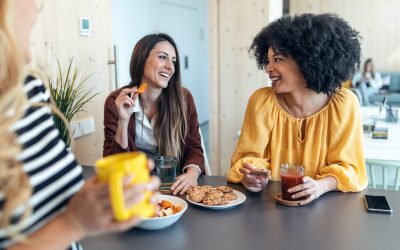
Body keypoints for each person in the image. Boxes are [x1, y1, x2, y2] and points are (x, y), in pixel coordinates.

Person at [0, 0, 159, 249]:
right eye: (15, 37)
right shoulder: (115, 102)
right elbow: (111, 157)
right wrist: (74, 222)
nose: (29, 56)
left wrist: (93, 201)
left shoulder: (28, 90)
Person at [227, 13, 368, 205]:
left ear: (306, 60)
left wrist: (322, 186)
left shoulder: (344, 104)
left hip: (329, 211)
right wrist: (254, 176)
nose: (268, 68)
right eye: (267, 60)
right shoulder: (261, 102)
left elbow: (351, 168)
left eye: (277, 59)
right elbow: (248, 158)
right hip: (270, 209)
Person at [103, 33, 205, 195]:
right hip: (135, 188)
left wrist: (192, 174)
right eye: (163, 57)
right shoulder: (116, 101)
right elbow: (112, 163)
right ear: (142, 59)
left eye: (173, 61)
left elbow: (194, 148)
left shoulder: (184, 98)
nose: (170, 67)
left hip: (173, 187)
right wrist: (123, 121)